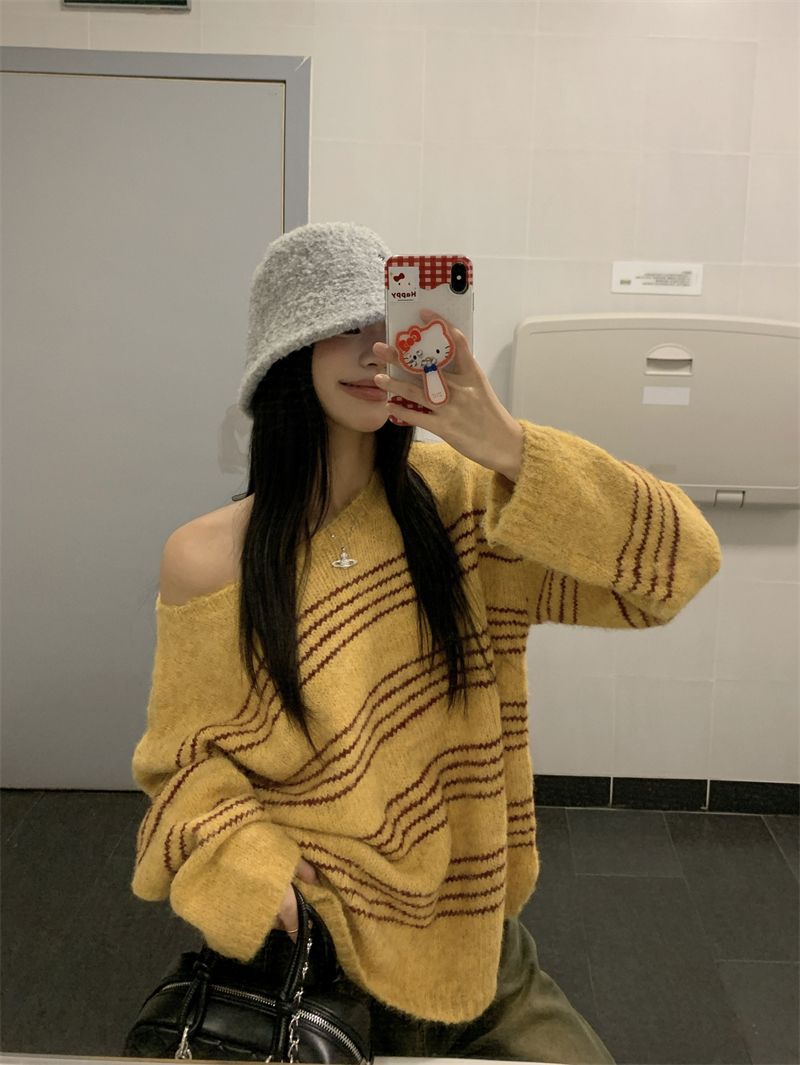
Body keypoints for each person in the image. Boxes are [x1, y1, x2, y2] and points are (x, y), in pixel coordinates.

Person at [130, 221, 722, 1063]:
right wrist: (254, 869)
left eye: (391, 321)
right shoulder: (207, 557)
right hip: (319, 952)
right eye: (343, 326)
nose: (376, 348)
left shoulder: (462, 502)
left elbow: (676, 565)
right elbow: (185, 762)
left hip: (479, 946)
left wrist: (507, 444)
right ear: (285, 351)